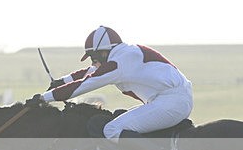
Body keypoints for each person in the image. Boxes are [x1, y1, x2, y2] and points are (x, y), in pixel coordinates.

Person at [27, 26, 193, 142]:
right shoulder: (123, 55)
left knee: (111, 130)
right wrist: (61, 81)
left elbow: (86, 83)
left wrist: (43, 98)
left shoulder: (119, 63)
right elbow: (90, 72)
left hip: (171, 102)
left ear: (104, 52)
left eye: (94, 57)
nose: (94, 62)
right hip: (170, 99)